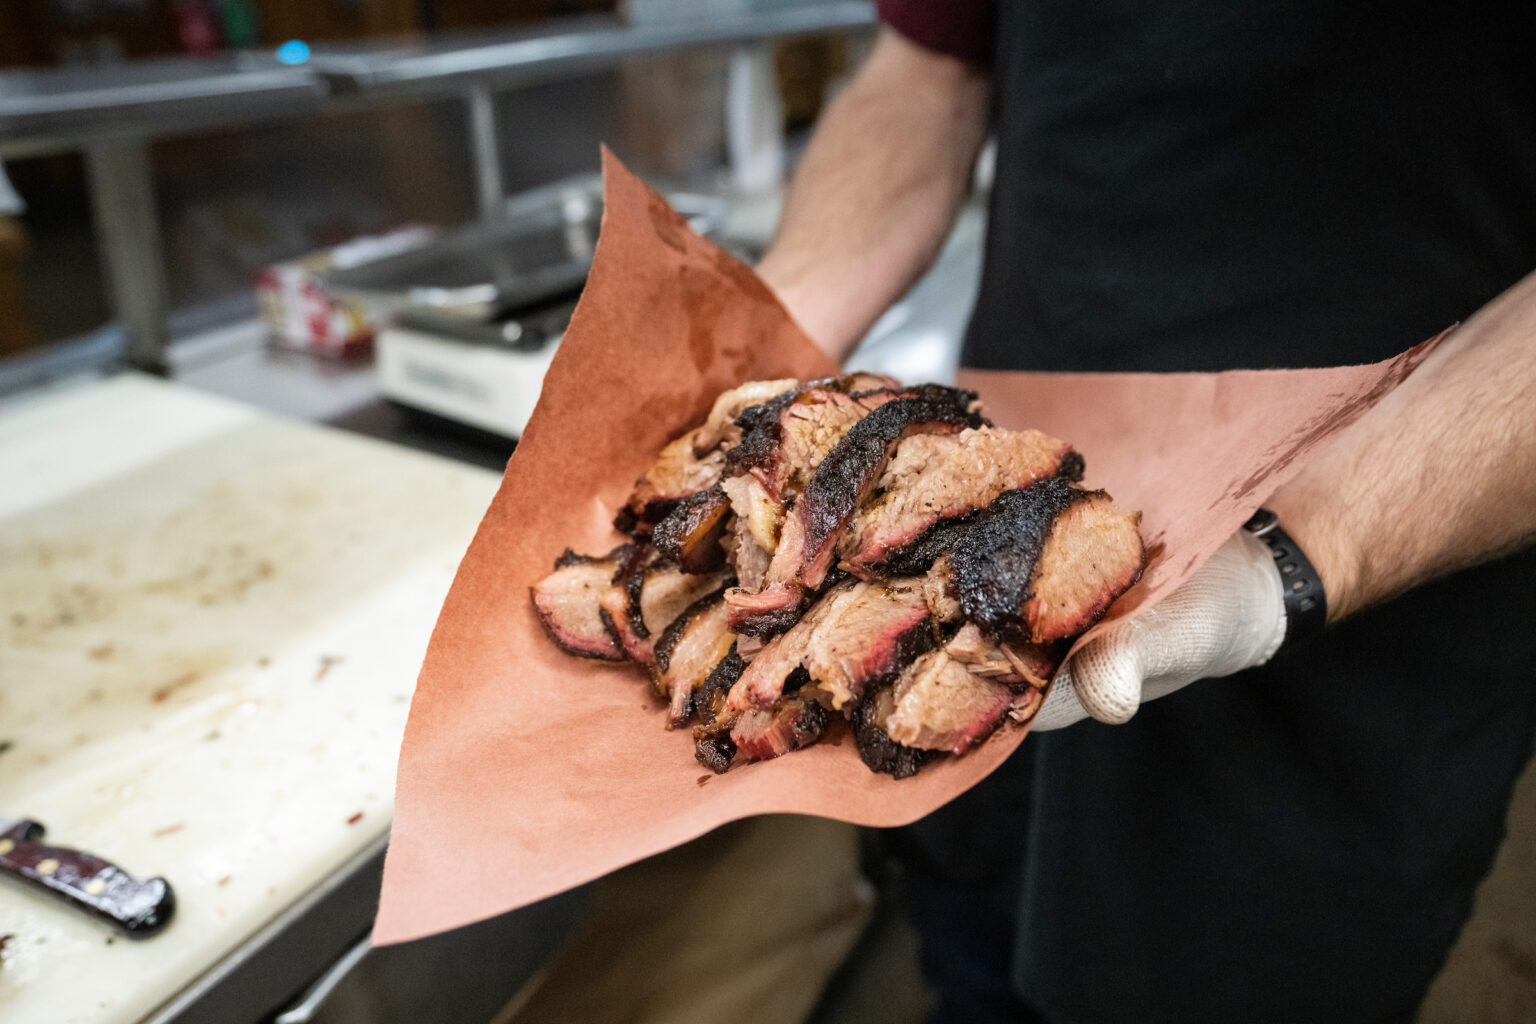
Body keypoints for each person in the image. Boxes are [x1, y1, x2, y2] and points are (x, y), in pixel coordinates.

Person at [755, 4, 1536, 1022]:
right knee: (973, 945)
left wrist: (1303, 557)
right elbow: (925, 74)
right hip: (986, 532)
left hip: (1385, 566)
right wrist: (755, 376)